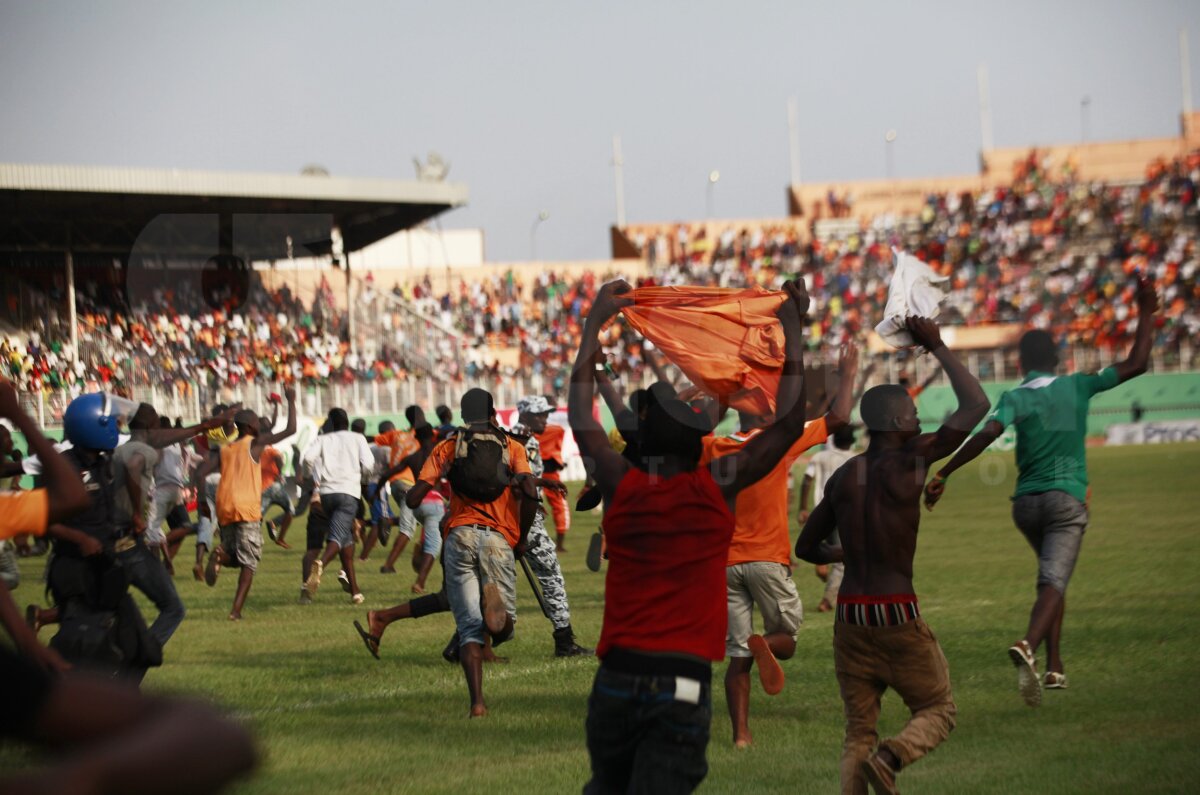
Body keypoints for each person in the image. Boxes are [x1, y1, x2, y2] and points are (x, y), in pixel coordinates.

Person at [570, 279, 814, 794]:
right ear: (696, 443)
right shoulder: (716, 486)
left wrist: (594, 321)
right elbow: (789, 424)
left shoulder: (621, 484)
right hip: (681, 680)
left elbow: (579, 418)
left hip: (615, 677)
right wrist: (792, 328)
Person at [0, 381, 259, 795]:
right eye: (112, 420)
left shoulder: (108, 455)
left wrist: (202, 426)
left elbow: (155, 437)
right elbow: (50, 509)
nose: (119, 425)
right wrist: (78, 537)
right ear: (95, 425)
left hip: (113, 557)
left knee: (140, 647)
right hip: (78, 567)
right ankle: (79, 715)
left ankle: (107, 705)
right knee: (83, 646)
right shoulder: (62, 464)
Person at [924, 276, 1159, 706]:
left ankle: (1054, 665)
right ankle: (1029, 646)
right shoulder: (1079, 384)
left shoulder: (1015, 396)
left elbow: (985, 435)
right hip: (1065, 499)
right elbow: (1138, 362)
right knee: (1055, 578)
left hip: (1026, 505)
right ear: (1059, 358)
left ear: (1020, 365)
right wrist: (1146, 310)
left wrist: (945, 472)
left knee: (1052, 578)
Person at [794, 316, 990, 795]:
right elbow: (977, 405)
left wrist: (850, 549)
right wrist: (937, 345)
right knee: (938, 709)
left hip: (850, 619)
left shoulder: (843, 478)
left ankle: (872, 760)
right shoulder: (913, 460)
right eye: (913, 413)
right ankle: (891, 757)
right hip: (897, 614)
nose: (920, 419)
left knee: (857, 732)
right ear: (897, 422)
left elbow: (806, 547)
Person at [702, 341, 856, 748]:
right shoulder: (778, 442)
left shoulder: (713, 447)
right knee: (786, 638)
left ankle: (741, 735)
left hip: (724, 566)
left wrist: (719, 391)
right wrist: (848, 370)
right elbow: (839, 417)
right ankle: (763, 645)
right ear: (768, 412)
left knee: (736, 658)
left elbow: (697, 430)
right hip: (768, 561)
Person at [404, 388, 538, 717]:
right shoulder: (512, 447)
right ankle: (497, 622)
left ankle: (477, 703)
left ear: (464, 415)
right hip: (497, 539)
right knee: (506, 626)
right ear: (493, 413)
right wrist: (519, 537)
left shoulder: (450, 445)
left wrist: (428, 485)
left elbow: (413, 498)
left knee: (468, 629)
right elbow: (531, 493)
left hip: (459, 536)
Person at [195, 388, 297, 620]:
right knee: (249, 563)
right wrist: (291, 401)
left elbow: (200, 475)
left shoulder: (225, 449)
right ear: (251, 427)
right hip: (247, 508)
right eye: (257, 424)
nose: (260, 427)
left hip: (225, 508)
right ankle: (235, 611)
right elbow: (291, 429)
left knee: (234, 555)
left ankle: (220, 555)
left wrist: (202, 501)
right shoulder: (255, 443)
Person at [509, 395, 591, 655]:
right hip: (526, 520)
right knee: (551, 576)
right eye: (539, 414)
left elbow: (518, 478)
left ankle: (464, 642)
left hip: (505, 517)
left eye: (545, 413)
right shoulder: (527, 441)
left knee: (494, 581)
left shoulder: (506, 439)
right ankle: (564, 641)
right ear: (524, 415)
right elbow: (524, 484)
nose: (544, 418)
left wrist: (544, 484)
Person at [300, 407, 374, 605]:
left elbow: (307, 459)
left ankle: (355, 592)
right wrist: (363, 480)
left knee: (346, 540)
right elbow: (368, 464)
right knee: (337, 536)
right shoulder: (357, 438)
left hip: (326, 494)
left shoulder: (324, 439)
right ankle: (321, 564)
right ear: (347, 422)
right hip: (348, 492)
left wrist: (308, 476)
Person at [798, 424, 859, 612]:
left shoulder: (819, 457)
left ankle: (821, 563)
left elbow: (807, 480)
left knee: (817, 546)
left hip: (820, 510)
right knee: (843, 557)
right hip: (843, 513)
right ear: (852, 441)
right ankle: (828, 600)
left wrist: (803, 507)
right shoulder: (857, 460)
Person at [534, 407, 571, 552]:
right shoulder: (557, 428)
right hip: (550, 472)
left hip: (532, 470)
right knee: (559, 506)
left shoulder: (529, 429)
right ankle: (560, 544)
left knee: (530, 505)